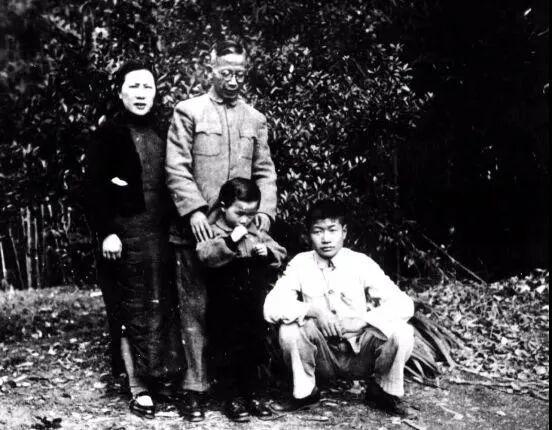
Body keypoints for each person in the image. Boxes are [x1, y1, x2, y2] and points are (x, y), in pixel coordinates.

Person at [165, 39, 277, 421]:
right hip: (196, 234)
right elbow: (176, 168)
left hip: (239, 236)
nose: (232, 81)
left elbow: (265, 172)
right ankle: (195, 390)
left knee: (240, 314)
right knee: (194, 311)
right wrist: (194, 212)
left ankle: (241, 389)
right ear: (210, 67)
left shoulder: (255, 119)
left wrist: (265, 214)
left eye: (239, 74)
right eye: (225, 72)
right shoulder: (189, 111)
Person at [85, 61, 183, 418]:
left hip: (161, 232)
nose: (142, 94)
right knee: (130, 307)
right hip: (125, 234)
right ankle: (139, 387)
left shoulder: (164, 131)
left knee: (163, 304)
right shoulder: (107, 134)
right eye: (134, 86)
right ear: (120, 91)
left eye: (148, 87)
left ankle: (164, 378)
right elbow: (93, 188)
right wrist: (107, 232)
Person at [263, 199, 415, 417]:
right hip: (323, 356)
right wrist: (314, 311)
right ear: (308, 235)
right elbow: (271, 306)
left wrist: (363, 321)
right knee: (290, 330)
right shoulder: (300, 264)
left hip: (360, 353)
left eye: (332, 230)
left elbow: (404, 304)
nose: (326, 239)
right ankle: (305, 393)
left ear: (344, 232)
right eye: (318, 231)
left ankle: (383, 392)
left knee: (402, 331)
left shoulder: (360, 262)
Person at [195, 178, 286, 422]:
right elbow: (205, 255)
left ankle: (253, 394)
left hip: (252, 305)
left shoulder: (257, 231)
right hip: (224, 307)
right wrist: (230, 241)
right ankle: (231, 398)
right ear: (223, 207)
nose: (245, 220)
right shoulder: (214, 231)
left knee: (255, 348)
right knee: (226, 350)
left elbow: (280, 252)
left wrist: (267, 252)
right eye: (240, 213)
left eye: (251, 213)